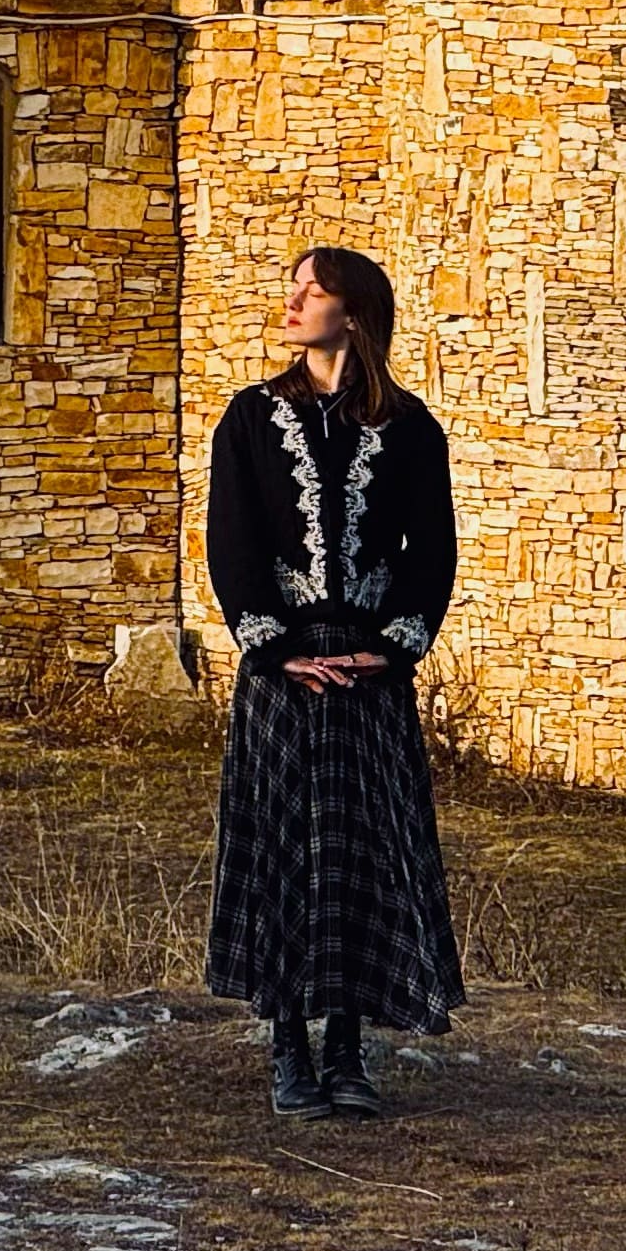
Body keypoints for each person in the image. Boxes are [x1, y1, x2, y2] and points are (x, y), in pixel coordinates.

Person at [203, 244, 464, 1116]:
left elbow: (432, 549)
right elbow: (231, 542)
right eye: (294, 288)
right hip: (284, 675)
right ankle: (288, 1048)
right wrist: (274, 648)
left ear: (351, 312)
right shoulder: (249, 419)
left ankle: (347, 1049)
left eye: (311, 291)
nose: (292, 302)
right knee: (285, 855)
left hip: (366, 674)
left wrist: (396, 645)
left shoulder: (411, 427)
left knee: (357, 859)